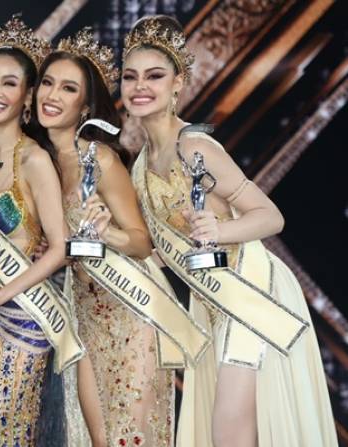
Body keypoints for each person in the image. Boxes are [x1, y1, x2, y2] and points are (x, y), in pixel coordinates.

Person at [125, 15, 337, 447]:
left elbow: (270, 216)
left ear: (178, 83)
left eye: (154, 75)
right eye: (130, 76)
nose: (140, 86)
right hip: (212, 304)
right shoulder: (140, 164)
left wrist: (218, 232)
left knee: (230, 434)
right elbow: (167, 250)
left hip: (251, 291)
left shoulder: (194, 146)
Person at [33, 27, 196, 446]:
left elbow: (141, 242)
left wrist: (107, 234)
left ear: (85, 106)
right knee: (98, 438)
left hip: (130, 308)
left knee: (130, 437)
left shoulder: (100, 159)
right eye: (47, 83)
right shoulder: (38, 161)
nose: (52, 96)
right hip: (85, 312)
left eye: (68, 88)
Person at [0, 16, 83, 446]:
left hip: (23, 315)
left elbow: (59, 247)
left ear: (27, 96)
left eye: (9, 83)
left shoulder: (34, 160)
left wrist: (1, 294)